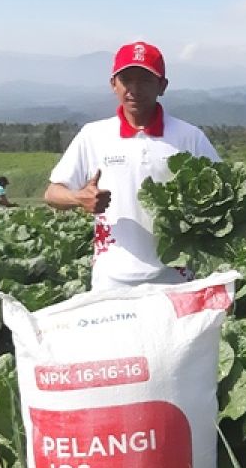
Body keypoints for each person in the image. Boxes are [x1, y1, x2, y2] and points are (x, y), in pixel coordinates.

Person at [45, 40, 220, 290]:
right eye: (127, 80)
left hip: (176, 277)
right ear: (113, 85)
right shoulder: (93, 135)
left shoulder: (189, 137)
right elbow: (52, 193)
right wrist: (77, 197)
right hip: (112, 279)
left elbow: (226, 195)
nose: (134, 89)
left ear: (162, 86)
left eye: (146, 80)